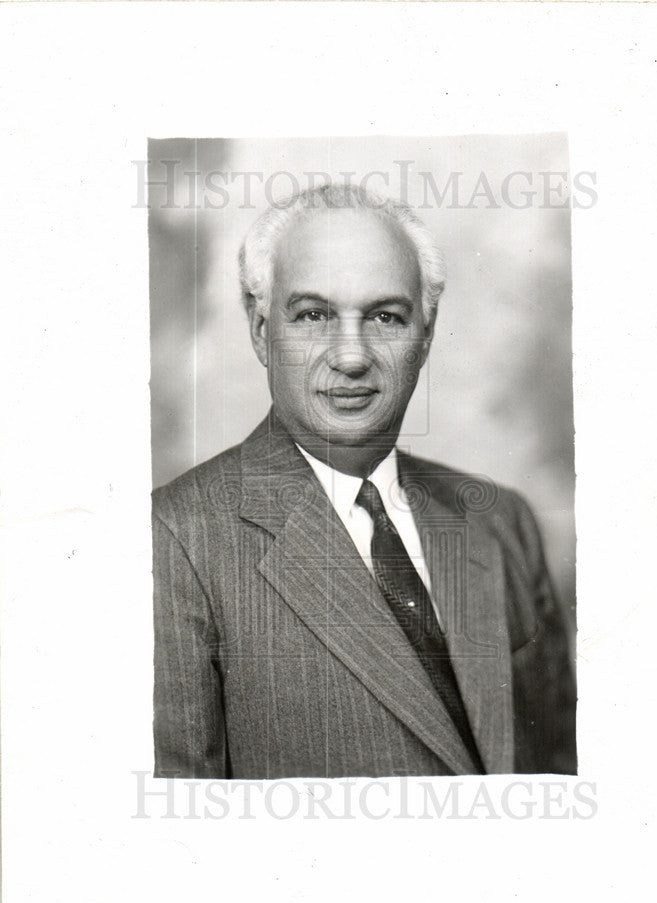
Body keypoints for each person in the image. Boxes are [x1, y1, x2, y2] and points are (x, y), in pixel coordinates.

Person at [152, 183, 577, 779]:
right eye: (313, 315)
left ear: (425, 334)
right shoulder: (174, 538)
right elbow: (179, 832)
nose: (351, 356)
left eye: (384, 316)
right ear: (258, 328)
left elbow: (560, 771)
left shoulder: (503, 521)